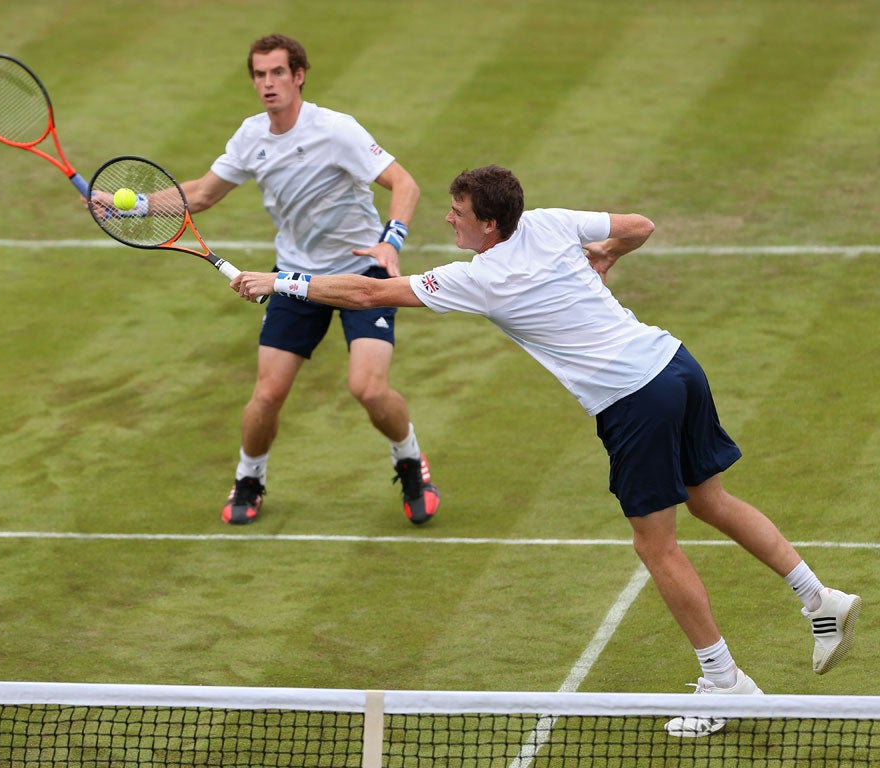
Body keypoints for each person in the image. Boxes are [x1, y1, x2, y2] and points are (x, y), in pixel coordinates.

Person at [232, 164, 861, 736]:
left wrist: (280, 282)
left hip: (633, 400)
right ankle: (819, 598)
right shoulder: (552, 223)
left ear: (490, 224)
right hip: (675, 365)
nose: (448, 218)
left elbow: (369, 294)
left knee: (655, 543)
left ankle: (724, 681)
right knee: (710, 499)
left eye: (459, 212)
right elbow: (640, 225)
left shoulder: (480, 279)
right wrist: (609, 252)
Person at [175, 34, 439, 525]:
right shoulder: (251, 136)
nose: (268, 83)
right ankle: (248, 477)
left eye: (278, 72)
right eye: (259, 74)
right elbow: (202, 194)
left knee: (368, 388)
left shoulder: (336, 130)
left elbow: (405, 183)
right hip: (294, 277)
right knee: (268, 394)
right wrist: (133, 205)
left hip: (363, 274)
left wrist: (391, 240)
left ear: (298, 76)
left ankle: (409, 460)